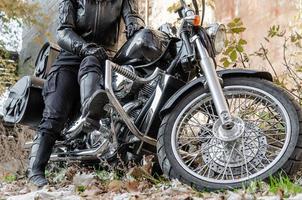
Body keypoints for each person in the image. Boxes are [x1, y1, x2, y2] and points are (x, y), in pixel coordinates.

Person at [28, 0, 145, 187]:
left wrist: (135, 26)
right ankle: (35, 171)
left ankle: (91, 113)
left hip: (103, 59)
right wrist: (85, 47)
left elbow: (133, 17)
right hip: (71, 58)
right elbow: (63, 31)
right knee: (54, 115)